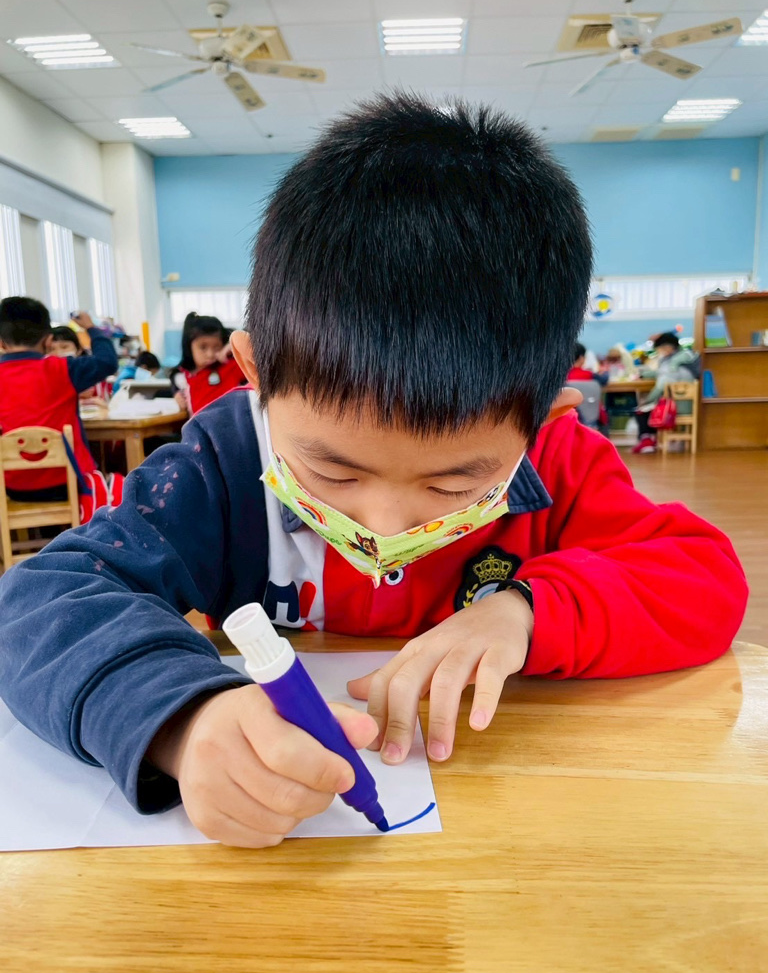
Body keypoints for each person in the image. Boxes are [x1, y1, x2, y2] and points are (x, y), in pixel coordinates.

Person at [0, 95, 746, 850]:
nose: (384, 527)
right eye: (333, 469)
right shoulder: (226, 463)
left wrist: (526, 612)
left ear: (543, 418)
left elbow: (704, 579)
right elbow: (40, 601)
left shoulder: (556, 462)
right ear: (256, 375)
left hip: (496, 831)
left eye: (452, 485)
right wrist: (182, 720)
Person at [0, 297, 123, 517]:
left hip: (13, 488)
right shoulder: (64, 369)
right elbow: (107, 362)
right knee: (116, 481)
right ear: (48, 341)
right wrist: (91, 328)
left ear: (1, 343)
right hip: (67, 482)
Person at [633, 331, 701, 454]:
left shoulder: (671, 364)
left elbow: (662, 385)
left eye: (659, 349)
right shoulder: (683, 360)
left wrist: (647, 401)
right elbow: (661, 373)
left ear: (667, 348)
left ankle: (648, 441)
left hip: (672, 408)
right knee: (648, 406)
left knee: (642, 410)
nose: (658, 352)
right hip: (688, 405)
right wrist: (644, 374)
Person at [170, 313, 246, 414]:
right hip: (197, 423)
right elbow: (175, 382)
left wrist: (233, 346)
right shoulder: (181, 376)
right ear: (189, 347)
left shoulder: (230, 366)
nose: (210, 354)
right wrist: (176, 394)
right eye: (203, 347)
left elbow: (258, 360)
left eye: (217, 347)